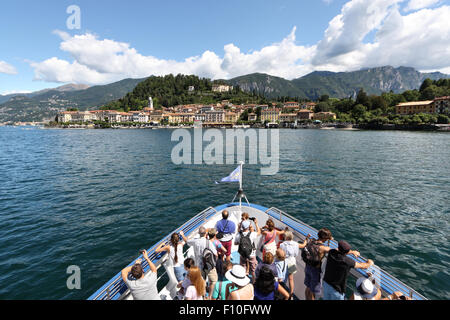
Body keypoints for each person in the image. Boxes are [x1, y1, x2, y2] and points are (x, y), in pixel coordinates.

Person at [302, 228, 333, 300]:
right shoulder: (323, 248)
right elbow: (337, 251)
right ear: (325, 238)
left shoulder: (311, 241)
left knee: (308, 287)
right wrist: (352, 252)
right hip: (315, 270)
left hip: (308, 267)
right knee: (313, 292)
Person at [280, 230, 307, 297]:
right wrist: (306, 239)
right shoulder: (296, 244)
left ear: (286, 237)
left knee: (282, 278)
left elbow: (281, 255)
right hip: (292, 262)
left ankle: (282, 293)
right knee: (291, 278)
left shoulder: (282, 245)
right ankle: (291, 294)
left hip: (284, 262)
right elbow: (304, 245)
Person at [234, 218, 261, 283]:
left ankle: (243, 282)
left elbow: (235, 243)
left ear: (242, 226)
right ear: (248, 227)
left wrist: (238, 227)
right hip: (251, 254)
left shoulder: (239, 234)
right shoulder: (252, 234)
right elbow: (259, 232)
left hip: (242, 254)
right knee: (253, 270)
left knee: (243, 268)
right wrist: (256, 223)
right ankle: (254, 282)